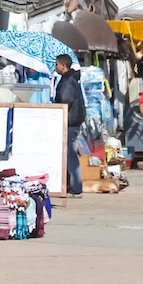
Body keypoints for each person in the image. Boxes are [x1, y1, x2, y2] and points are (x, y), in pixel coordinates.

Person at [52, 53, 86, 197]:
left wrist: (56, 108)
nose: (55, 67)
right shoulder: (71, 79)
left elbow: (65, 99)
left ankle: (76, 187)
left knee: (70, 153)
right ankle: (71, 185)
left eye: (56, 64)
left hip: (70, 121)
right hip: (72, 120)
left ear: (63, 66)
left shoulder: (67, 81)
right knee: (68, 152)